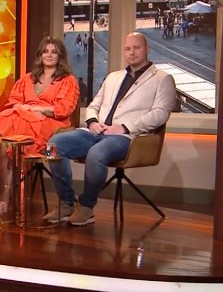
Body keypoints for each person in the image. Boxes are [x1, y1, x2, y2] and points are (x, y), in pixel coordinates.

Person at [45, 32, 177, 226]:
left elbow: (160, 114)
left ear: (147, 49)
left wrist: (123, 128)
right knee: (54, 144)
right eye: (128, 49)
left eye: (137, 48)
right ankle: (67, 203)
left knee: (96, 153)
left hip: (126, 137)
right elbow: (94, 105)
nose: (132, 52)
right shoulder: (113, 77)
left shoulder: (162, 79)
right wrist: (92, 122)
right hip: (96, 131)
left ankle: (87, 207)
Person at [0, 36, 79, 214]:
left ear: (60, 56)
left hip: (52, 125)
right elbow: (14, 101)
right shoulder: (28, 78)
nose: (49, 55)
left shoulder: (67, 80)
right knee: (8, 141)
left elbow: (64, 108)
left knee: (14, 123)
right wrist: (25, 109)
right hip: (23, 122)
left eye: (54, 52)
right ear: (40, 55)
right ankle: (5, 196)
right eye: (45, 51)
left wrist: (38, 109)